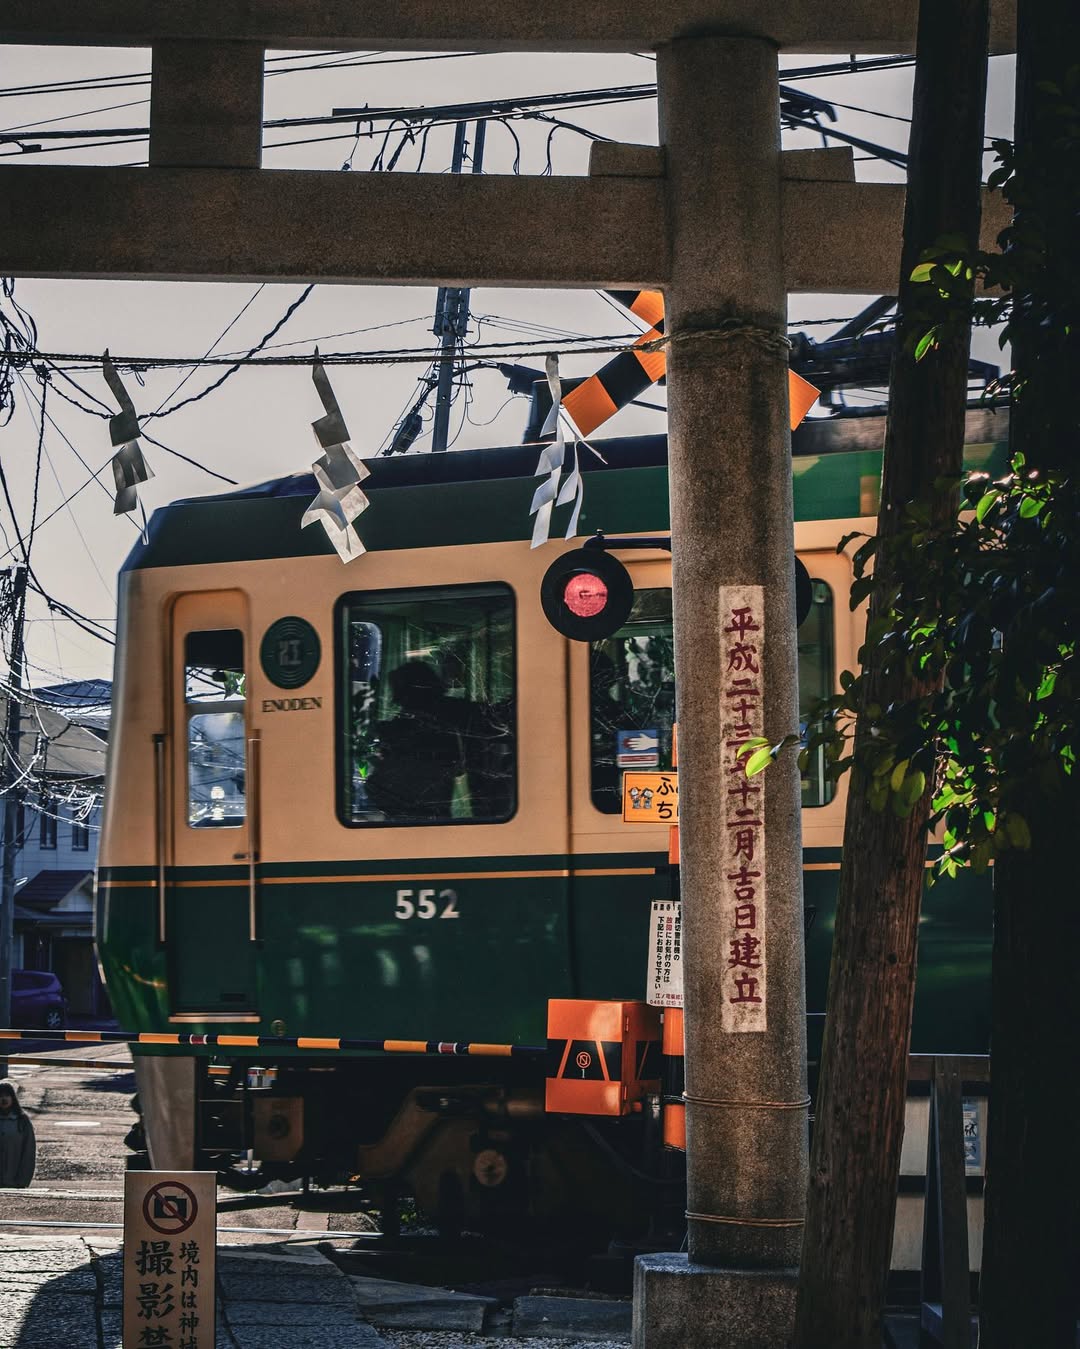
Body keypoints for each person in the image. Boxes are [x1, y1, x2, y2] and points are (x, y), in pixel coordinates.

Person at [365, 661, 465, 822]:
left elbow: (385, 786)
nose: (397, 701)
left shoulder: (406, 728)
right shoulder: (445, 722)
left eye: (399, 694)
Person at [0, 1077, 36, 1188]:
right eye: (0, 1096)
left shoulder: (22, 1120)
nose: (3, 1099)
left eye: (7, 1095)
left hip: (15, 1181)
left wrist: (23, 1180)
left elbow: (28, 1152)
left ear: (13, 1098)